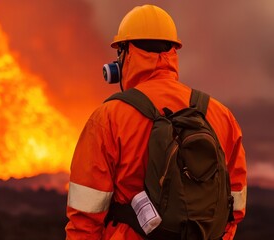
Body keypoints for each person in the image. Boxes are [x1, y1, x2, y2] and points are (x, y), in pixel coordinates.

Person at [65, 4, 247, 240]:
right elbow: (234, 208)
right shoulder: (221, 115)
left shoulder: (108, 117)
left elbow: (85, 218)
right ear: (173, 52)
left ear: (125, 52)